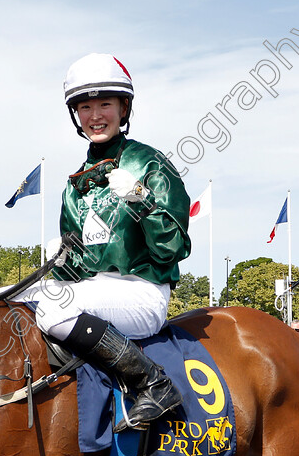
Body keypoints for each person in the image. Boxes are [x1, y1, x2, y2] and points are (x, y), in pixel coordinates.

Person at [23, 53, 191, 430]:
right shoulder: (74, 185)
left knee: (51, 310)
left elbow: (172, 247)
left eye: (104, 104)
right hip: (93, 292)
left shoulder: (150, 163)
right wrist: (60, 260)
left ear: (123, 107)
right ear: (75, 115)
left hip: (143, 293)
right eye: (85, 106)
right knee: (6, 299)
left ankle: (153, 382)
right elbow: (76, 272)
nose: (95, 115)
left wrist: (141, 198)